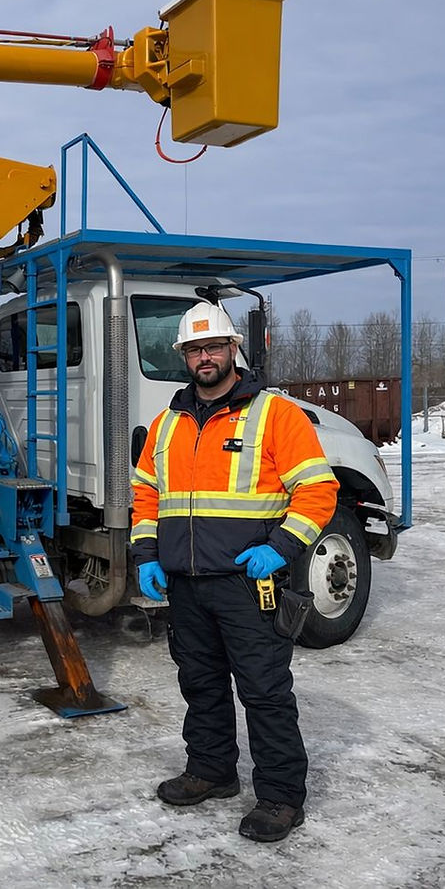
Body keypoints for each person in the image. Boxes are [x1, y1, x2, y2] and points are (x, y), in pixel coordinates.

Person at [130, 301, 339, 843]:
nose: (204, 357)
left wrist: (282, 547)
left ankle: (280, 797)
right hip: (186, 583)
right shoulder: (167, 423)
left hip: (251, 583)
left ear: (232, 350)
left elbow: (318, 491)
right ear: (183, 356)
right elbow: (147, 495)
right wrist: (146, 555)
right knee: (200, 685)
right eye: (194, 349)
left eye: (213, 347)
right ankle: (211, 771)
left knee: (264, 691)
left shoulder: (276, 415)